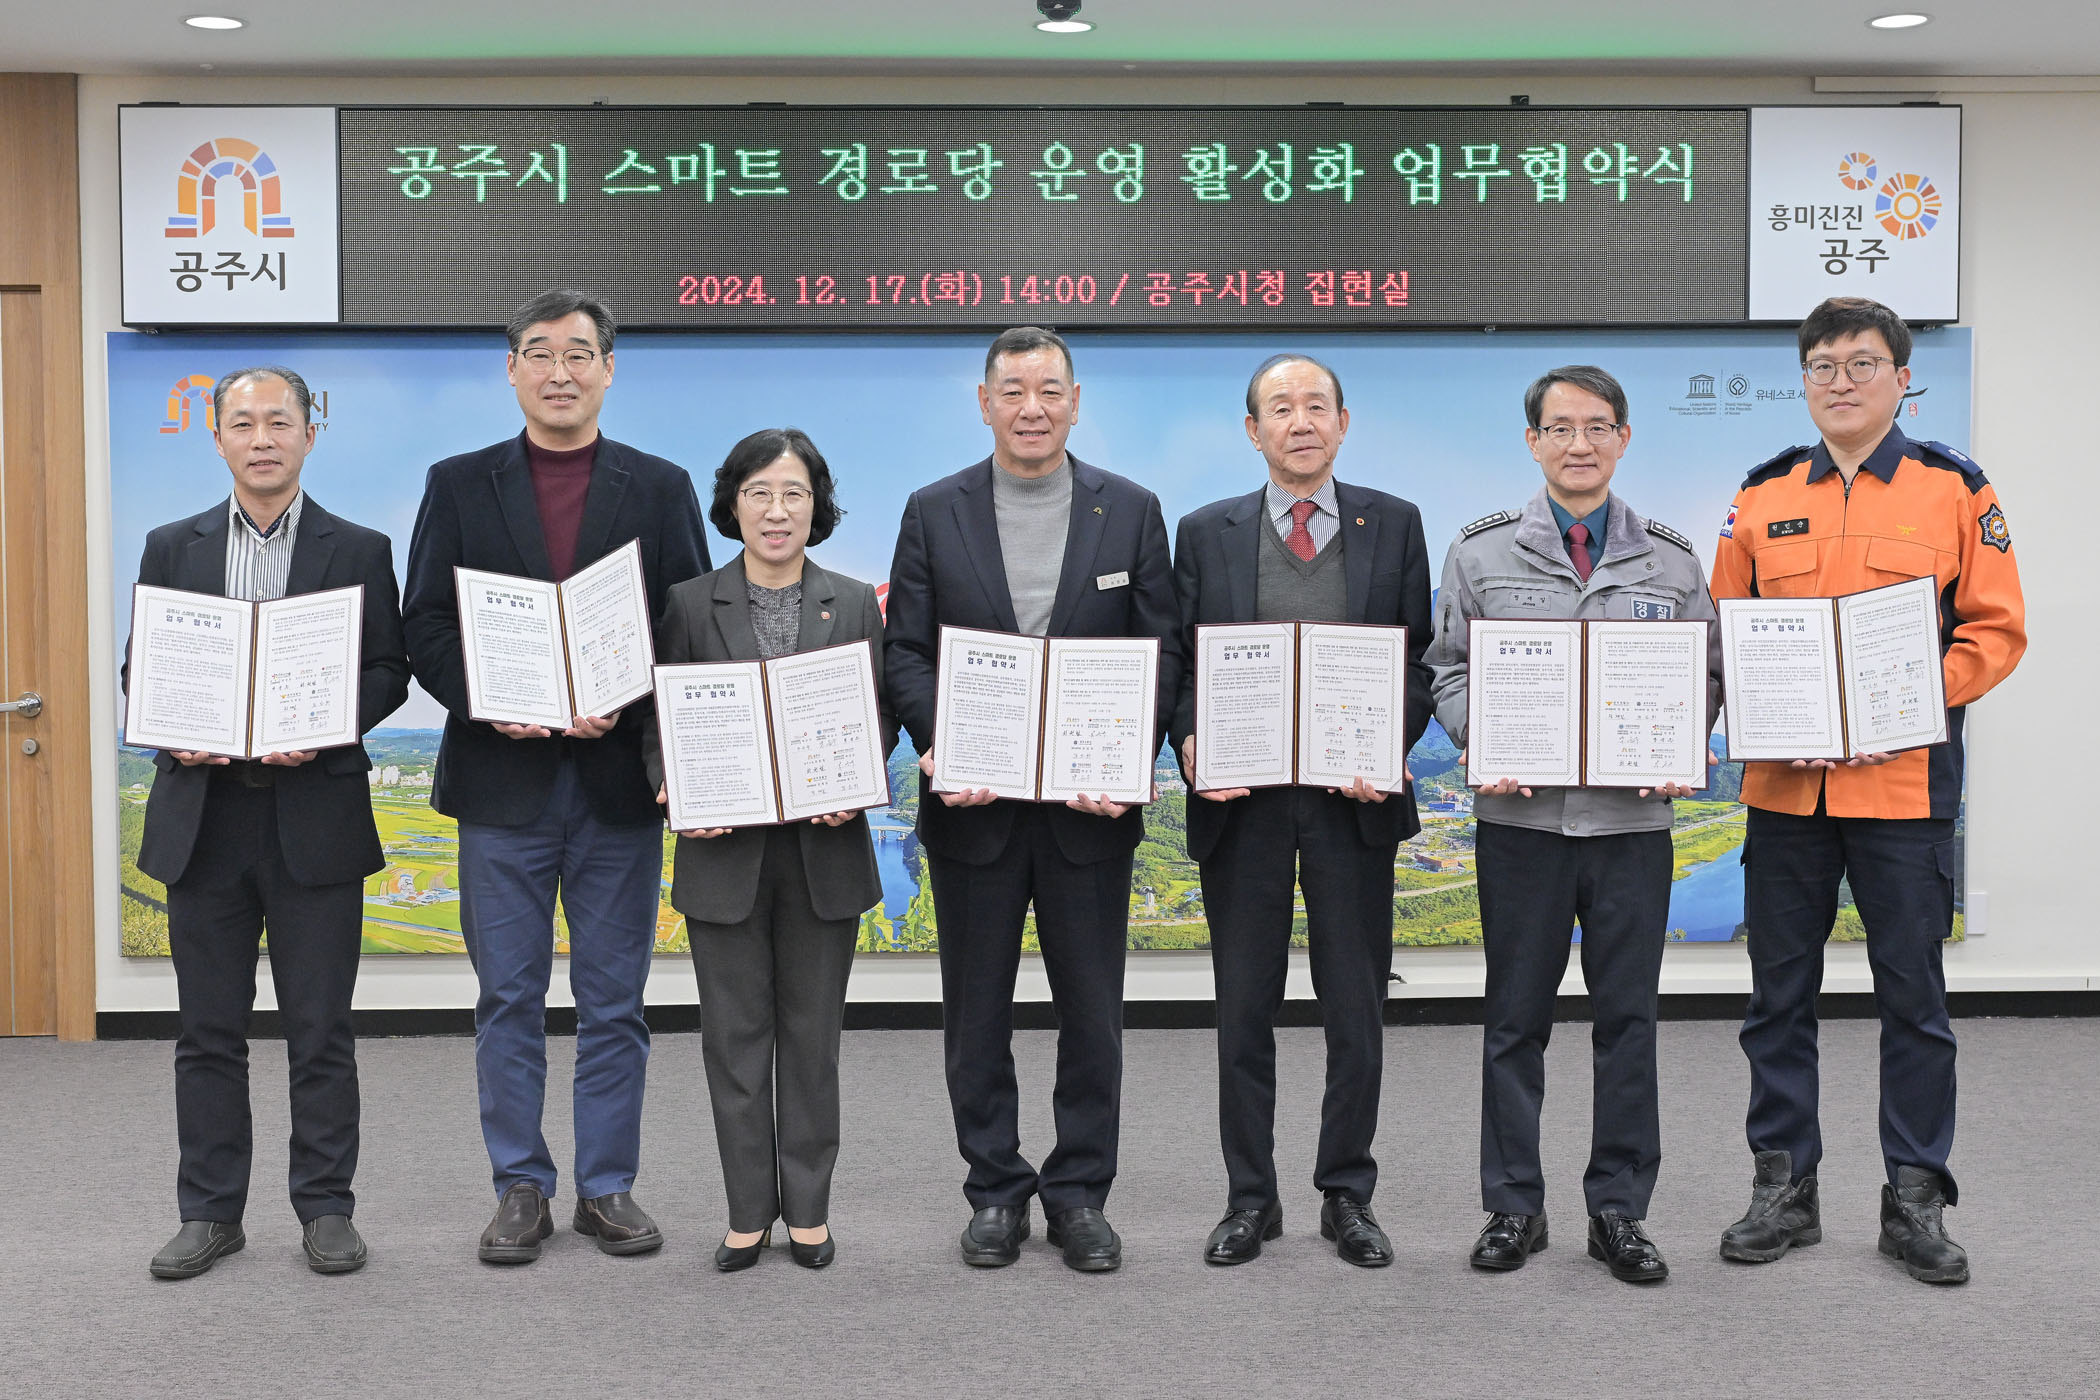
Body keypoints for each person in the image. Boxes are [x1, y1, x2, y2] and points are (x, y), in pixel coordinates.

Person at [1709, 297, 2025, 1285]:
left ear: (1902, 378)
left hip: (1903, 787)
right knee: (1777, 999)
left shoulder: (1955, 487)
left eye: (1861, 363)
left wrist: (1901, 701)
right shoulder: (1760, 493)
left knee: (1914, 1001)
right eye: (1822, 365)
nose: (1840, 381)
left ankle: (1915, 1199)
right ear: (1804, 380)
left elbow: (1996, 630)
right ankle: (1783, 1189)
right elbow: (1728, 630)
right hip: (1785, 792)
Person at [401, 289, 710, 1264]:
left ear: (609, 369)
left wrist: (632, 700)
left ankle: (607, 1185)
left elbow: (689, 625)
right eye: (540, 352)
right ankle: (520, 1184)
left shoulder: (658, 486)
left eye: (580, 353)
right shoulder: (458, 483)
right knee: (509, 996)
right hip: (504, 781)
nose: (560, 371)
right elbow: (425, 625)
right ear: (512, 370)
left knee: (616, 999)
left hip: (618, 784)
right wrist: (495, 699)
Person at [884, 326, 1182, 1272]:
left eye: (1049, 390)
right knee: (976, 1015)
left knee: (1091, 1014)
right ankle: (995, 1192)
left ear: (1076, 402)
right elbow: (906, 650)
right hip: (974, 807)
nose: (1032, 408)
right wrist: (938, 738)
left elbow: (1161, 649)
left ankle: (1080, 1194)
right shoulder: (934, 510)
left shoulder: (1131, 510)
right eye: (1012, 391)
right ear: (985, 404)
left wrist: (1129, 757)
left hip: (1089, 812)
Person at [1427, 364, 1722, 1285]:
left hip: (1632, 829)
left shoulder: (1672, 562)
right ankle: (1513, 1206)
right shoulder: (1480, 553)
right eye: (1560, 428)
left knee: (1627, 1021)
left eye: (1597, 427)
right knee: (1514, 1020)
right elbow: (1447, 670)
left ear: (1624, 438)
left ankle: (1619, 1212)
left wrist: (1680, 742)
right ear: (1533, 442)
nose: (1579, 444)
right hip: (1522, 825)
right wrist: (1481, 736)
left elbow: (1707, 676)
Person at [128, 366, 410, 1279]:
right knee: (207, 1032)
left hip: (313, 814)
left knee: (320, 1029)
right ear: (216, 438)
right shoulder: (172, 546)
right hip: (204, 819)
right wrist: (177, 726)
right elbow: (144, 669)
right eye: (243, 423)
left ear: (308, 435)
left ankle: (326, 1208)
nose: (262, 439)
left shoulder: (358, 547)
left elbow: (388, 670)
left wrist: (322, 724)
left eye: (279, 422)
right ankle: (209, 1212)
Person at [1169, 353, 1433, 1268]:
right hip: (1242, 806)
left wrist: (1387, 743)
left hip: (1351, 805)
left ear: (1343, 423)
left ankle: (1347, 1194)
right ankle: (1251, 1198)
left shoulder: (1394, 523)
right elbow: (1179, 663)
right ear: (1254, 432)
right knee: (1244, 1010)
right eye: (1280, 408)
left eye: (1317, 405)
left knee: (1355, 1010)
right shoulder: (1204, 532)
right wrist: (1189, 738)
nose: (1301, 421)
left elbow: (1417, 663)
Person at [643, 428, 893, 1272]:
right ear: (733, 505)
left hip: (825, 854)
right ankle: (748, 1212)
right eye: (759, 493)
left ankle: (810, 1211)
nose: (777, 511)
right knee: (735, 1043)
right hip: (725, 856)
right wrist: (674, 786)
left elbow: (877, 714)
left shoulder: (853, 602)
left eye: (794, 493)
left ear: (817, 505)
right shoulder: (688, 603)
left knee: (813, 1043)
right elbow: (659, 722)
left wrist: (857, 776)